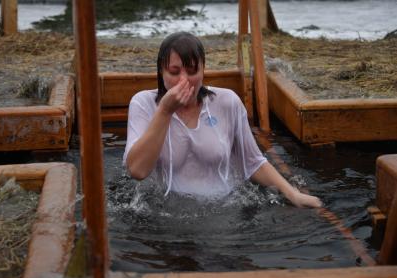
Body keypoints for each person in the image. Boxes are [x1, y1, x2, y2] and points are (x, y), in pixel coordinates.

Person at [123, 32, 322, 208]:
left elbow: (252, 163)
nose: (184, 80)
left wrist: (292, 194)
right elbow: (137, 171)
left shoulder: (227, 102)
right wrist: (165, 111)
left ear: (203, 71)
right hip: (166, 215)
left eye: (192, 71)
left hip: (225, 210)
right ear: (161, 71)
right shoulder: (144, 104)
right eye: (174, 72)